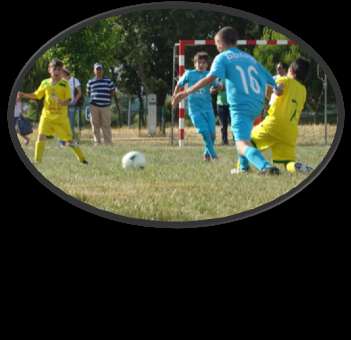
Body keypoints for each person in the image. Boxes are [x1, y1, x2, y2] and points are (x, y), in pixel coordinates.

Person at [173, 26, 279, 174]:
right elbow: (268, 76)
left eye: (216, 43)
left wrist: (186, 92)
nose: (216, 47)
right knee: (244, 136)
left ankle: (265, 166)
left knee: (241, 143)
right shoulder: (249, 57)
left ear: (220, 42)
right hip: (257, 104)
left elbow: (209, 78)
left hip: (241, 105)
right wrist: (276, 88)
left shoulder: (222, 57)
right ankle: (243, 168)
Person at [18, 58, 87, 164]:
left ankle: (82, 158)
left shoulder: (65, 84)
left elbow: (69, 100)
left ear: (62, 72)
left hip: (61, 118)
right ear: (49, 70)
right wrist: (23, 94)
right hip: (47, 116)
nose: (57, 72)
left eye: (59, 69)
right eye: (55, 69)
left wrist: (61, 102)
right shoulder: (45, 83)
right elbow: (37, 95)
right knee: (41, 135)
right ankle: (37, 161)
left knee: (69, 140)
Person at [251, 58, 314, 174]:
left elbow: (271, 92)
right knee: (288, 163)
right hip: (290, 131)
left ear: (291, 70)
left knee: (246, 142)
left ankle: (245, 168)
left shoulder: (284, 80)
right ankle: (298, 167)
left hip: (273, 125)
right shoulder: (303, 90)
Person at [172, 52, 217, 161]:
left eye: (204, 63)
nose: (201, 65)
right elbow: (179, 84)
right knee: (205, 132)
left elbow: (216, 86)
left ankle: (207, 154)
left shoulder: (210, 75)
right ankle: (214, 157)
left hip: (208, 109)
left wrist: (217, 88)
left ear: (207, 65)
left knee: (212, 134)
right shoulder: (189, 74)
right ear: (195, 64)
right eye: (198, 62)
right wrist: (175, 97)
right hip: (195, 110)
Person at [87, 63, 115, 145]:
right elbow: (89, 93)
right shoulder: (90, 82)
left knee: (106, 125)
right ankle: (97, 142)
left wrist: (107, 99)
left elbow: (112, 92)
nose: (98, 71)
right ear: (94, 71)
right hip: (94, 106)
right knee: (95, 125)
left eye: (100, 69)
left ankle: (108, 142)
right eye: (97, 69)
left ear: (102, 70)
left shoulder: (108, 81)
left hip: (105, 106)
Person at [59, 67, 82, 144]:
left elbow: (79, 92)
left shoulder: (75, 80)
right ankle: (62, 143)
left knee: (70, 124)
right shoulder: (61, 81)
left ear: (65, 73)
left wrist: (75, 100)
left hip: (71, 104)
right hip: (62, 105)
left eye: (61, 72)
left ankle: (70, 141)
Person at [211, 79, 231, 145]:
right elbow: (211, 91)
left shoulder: (232, 77)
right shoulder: (218, 79)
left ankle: (237, 140)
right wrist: (218, 89)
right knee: (223, 125)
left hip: (231, 104)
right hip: (220, 105)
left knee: (234, 124)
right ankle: (224, 141)